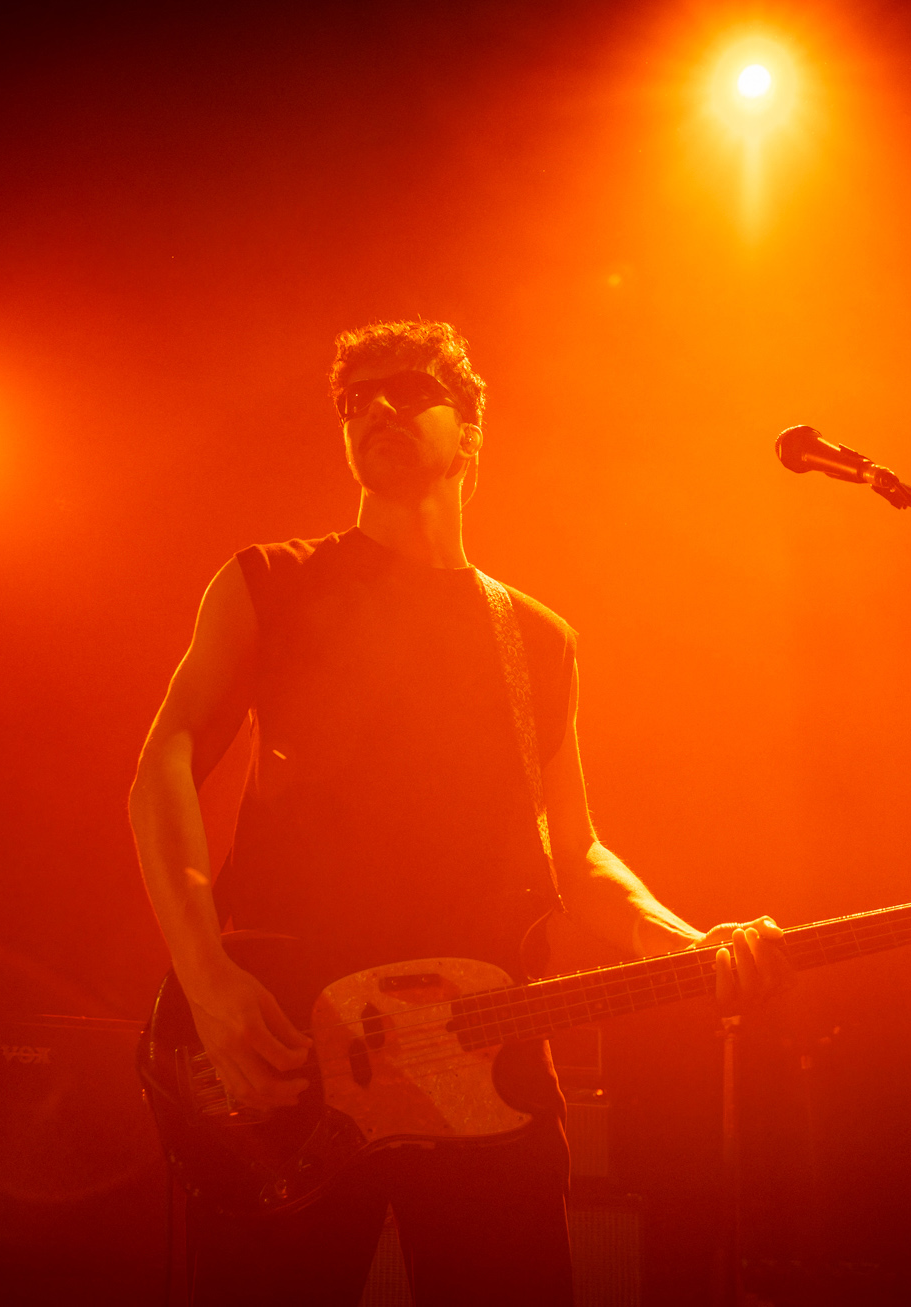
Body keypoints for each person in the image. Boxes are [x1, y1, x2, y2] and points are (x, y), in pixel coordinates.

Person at [128, 319, 789, 1305]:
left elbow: (576, 853)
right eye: (357, 400)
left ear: (472, 430)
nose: (378, 409)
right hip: (293, 1057)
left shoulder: (538, 639)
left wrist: (688, 941)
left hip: (489, 1066)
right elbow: (164, 763)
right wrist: (207, 975)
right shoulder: (270, 580)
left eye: (406, 391)